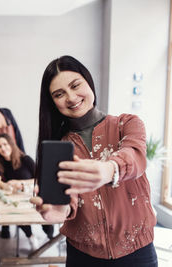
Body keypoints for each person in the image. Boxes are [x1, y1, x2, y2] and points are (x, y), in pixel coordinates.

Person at [30, 55, 158, 266]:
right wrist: (57, 210)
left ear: (88, 82)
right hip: (83, 256)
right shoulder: (58, 147)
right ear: (52, 102)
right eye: (59, 94)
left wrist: (110, 169)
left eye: (75, 85)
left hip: (137, 252)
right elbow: (66, 204)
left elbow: (134, 155)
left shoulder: (127, 124)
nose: (71, 97)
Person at [0, 133, 54, 247]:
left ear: (11, 144)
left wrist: (21, 184)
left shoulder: (25, 159)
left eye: (5, 144)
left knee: (46, 218)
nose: (3, 148)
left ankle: (51, 239)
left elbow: (40, 178)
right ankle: (30, 236)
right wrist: (6, 185)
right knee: (17, 214)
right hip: (17, 200)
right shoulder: (0, 162)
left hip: (32, 195)